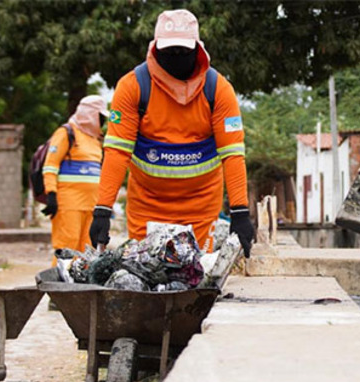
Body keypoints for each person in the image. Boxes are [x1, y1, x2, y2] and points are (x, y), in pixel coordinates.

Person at [89, 9, 254, 257]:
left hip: (201, 205)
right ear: (155, 48)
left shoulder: (218, 90)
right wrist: (102, 210)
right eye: (169, 50)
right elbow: (116, 152)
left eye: (182, 50)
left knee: (196, 272)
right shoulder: (132, 87)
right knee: (144, 269)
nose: (176, 56)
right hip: (147, 204)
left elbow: (232, 154)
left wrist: (240, 211)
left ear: (197, 48)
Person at [41, 95, 108, 260]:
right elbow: (50, 165)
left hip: (91, 205)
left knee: (87, 251)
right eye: (100, 116)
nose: (102, 121)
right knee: (67, 247)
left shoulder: (95, 140)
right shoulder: (66, 133)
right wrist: (51, 194)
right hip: (69, 204)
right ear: (89, 115)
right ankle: (59, 277)